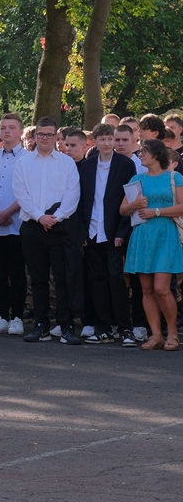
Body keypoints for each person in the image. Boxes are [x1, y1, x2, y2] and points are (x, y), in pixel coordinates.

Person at [12, 116, 82, 344]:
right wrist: (39, 216)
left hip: (59, 227)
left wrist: (55, 217)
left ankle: (66, 325)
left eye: (50, 135)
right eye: (41, 134)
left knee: (62, 278)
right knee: (38, 278)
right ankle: (41, 325)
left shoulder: (66, 163)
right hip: (32, 226)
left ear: (56, 136)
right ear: (34, 136)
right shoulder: (23, 163)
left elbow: (73, 194)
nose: (45, 138)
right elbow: (21, 194)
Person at [120, 139, 182, 351]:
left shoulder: (174, 177)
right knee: (146, 290)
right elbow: (123, 210)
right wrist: (135, 204)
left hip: (166, 234)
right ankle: (156, 335)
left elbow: (182, 207)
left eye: (144, 151)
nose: (140, 155)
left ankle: (172, 333)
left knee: (161, 288)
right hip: (142, 235)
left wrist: (156, 211)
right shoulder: (137, 179)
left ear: (157, 154)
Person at [78, 123, 136, 345]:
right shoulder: (87, 166)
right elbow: (82, 200)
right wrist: (83, 232)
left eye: (110, 139)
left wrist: (122, 231)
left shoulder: (126, 164)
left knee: (116, 279)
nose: (107, 143)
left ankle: (125, 328)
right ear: (95, 141)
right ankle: (103, 328)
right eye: (102, 139)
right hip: (92, 231)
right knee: (96, 280)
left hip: (114, 232)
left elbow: (130, 200)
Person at [0, 113, 28, 335]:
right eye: (3, 127)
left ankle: (17, 316)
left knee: (17, 272)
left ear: (20, 131)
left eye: (12, 127)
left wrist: (7, 212)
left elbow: (27, 192)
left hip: (18, 223)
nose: (6, 131)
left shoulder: (29, 159)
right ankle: (1, 315)